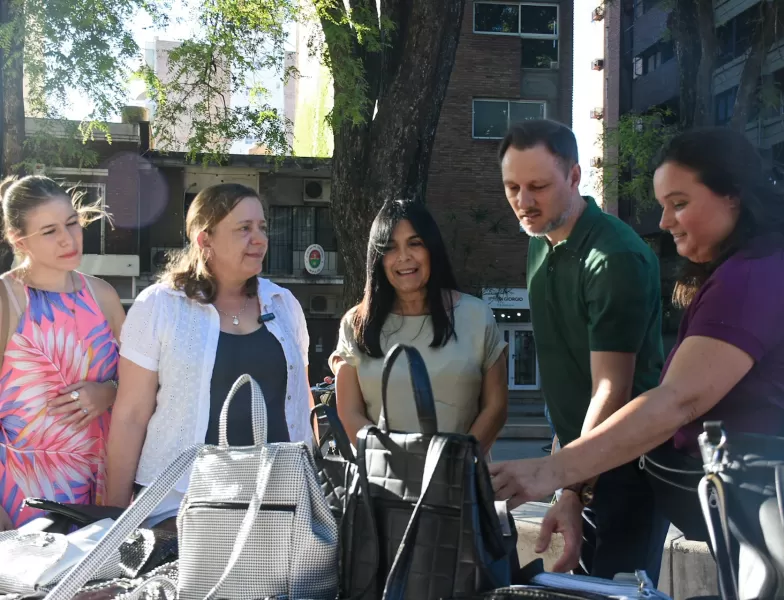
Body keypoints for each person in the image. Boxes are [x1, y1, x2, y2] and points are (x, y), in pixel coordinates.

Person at [490, 127, 784, 544]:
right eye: (513, 187)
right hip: (755, 516)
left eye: (680, 204)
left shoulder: (750, 278)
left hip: (770, 516)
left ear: (733, 195)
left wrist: (555, 474)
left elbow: (677, 400)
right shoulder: (750, 268)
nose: (663, 221)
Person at [492, 120, 669, 581]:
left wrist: (568, 484)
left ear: (574, 177)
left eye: (538, 186)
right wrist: (566, 486)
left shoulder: (613, 258)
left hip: (630, 467)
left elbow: (611, 390)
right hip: (581, 464)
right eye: (512, 187)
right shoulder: (539, 244)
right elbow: (566, 382)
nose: (523, 202)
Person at [104, 183, 314, 527]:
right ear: (205, 240)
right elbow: (129, 416)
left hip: (277, 506)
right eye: (244, 228)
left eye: (262, 227)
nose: (259, 238)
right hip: (179, 508)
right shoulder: (159, 306)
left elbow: (301, 405)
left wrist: (312, 485)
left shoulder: (285, 306)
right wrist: (113, 517)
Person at [329, 199, 508, 454]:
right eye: (390, 248)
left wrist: (454, 463)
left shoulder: (477, 316)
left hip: (462, 482)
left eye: (415, 243)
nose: (404, 257)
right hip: (383, 483)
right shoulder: (355, 324)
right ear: (378, 258)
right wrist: (397, 467)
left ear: (432, 248)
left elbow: (496, 408)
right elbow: (349, 414)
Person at [0, 176, 125, 530]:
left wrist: (109, 392)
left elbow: (142, 383)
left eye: (72, 223)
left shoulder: (103, 296)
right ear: (18, 239)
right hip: (21, 495)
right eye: (50, 231)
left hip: (98, 490)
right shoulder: (6, 299)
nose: (68, 239)